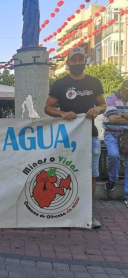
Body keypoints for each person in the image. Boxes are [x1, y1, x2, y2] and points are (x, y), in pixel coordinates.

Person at [44, 47, 106, 228]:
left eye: (80, 60)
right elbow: (47, 108)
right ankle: (63, 210)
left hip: (90, 135)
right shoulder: (59, 84)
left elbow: (103, 104)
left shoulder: (94, 82)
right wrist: (62, 113)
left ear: (85, 61)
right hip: (67, 138)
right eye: (74, 60)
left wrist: (98, 109)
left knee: (91, 176)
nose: (77, 63)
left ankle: (88, 213)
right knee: (65, 172)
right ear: (68, 62)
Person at [102, 81, 128, 205]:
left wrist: (121, 114)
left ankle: (127, 195)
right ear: (122, 89)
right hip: (111, 132)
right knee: (113, 155)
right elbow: (112, 118)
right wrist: (125, 117)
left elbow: (116, 117)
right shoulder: (110, 99)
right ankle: (113, 179)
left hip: (126, 134)